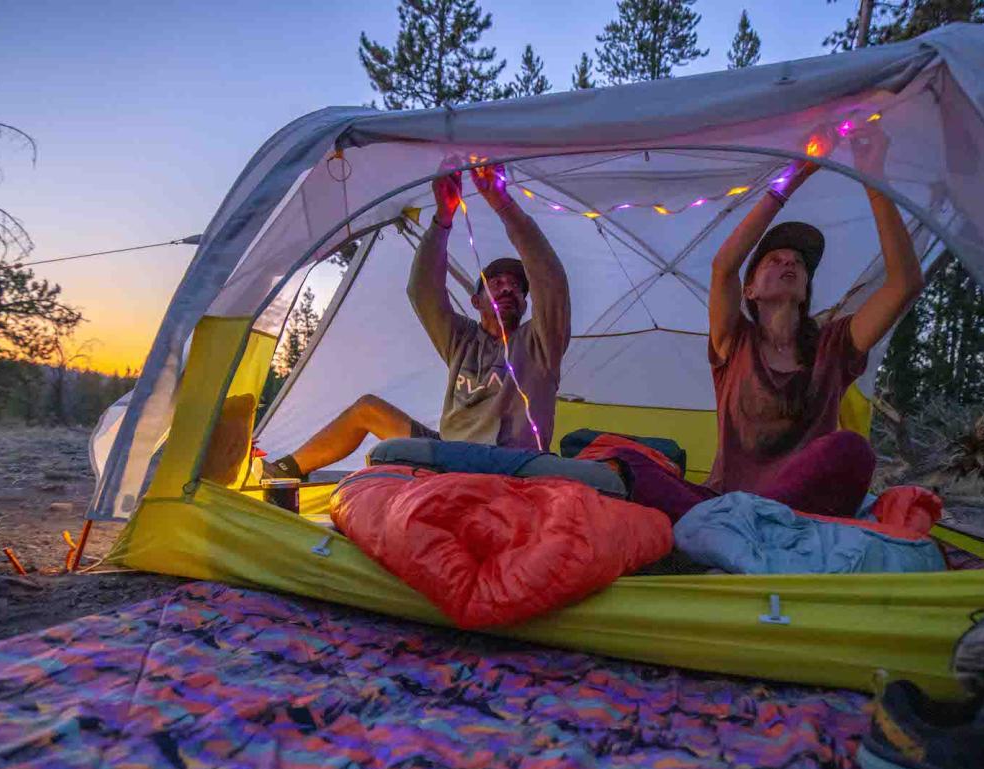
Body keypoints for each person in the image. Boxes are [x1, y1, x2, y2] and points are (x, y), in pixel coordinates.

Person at [604, 124, 923, 521]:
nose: (789, 263)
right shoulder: (734, 341)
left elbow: (905, 283)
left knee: (852, 450)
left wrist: (873, 177)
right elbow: (723, 267)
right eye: (774, 260)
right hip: (728, 502)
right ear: (750, 290)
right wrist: (791, 179)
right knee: (624, 459)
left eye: (798, 263)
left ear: (805, 290)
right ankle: (744, 523)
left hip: (797, 508)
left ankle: (752, 525)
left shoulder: (835, 345)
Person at [265, 162, 570, 480]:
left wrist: (503, 204)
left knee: (387, 456)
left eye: (517, 286)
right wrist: (443, 218)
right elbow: (422, 290)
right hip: (449, 453)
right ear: (476, 302)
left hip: (508, 463)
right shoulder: (462, 341)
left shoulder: (540, 343)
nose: (508, 288)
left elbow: (551, 280)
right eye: (496, 283)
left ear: (525, 303)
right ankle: (283, 471)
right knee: (367, 409)